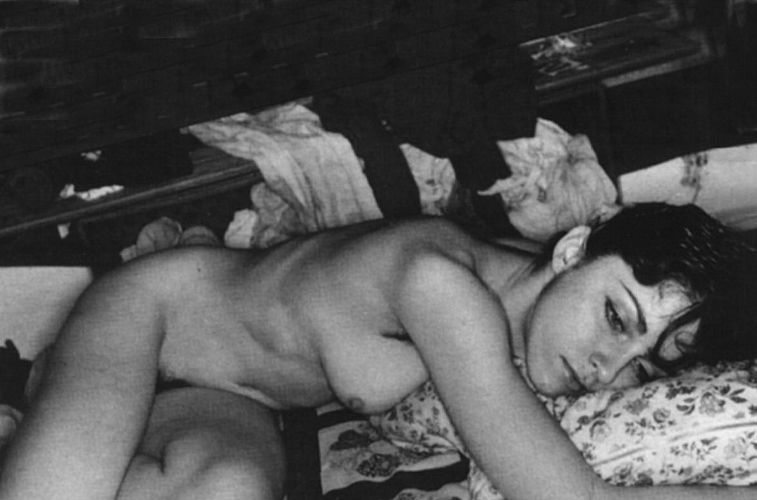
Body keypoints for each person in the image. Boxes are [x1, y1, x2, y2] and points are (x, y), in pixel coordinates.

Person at [1, 202, 756, 500]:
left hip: (236, 396)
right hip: (151, 321)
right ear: (572, 250)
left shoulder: (524, 290)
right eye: (616, 318)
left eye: (643, 365)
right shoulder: (443, 289)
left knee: (226, 493)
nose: (606, 370)